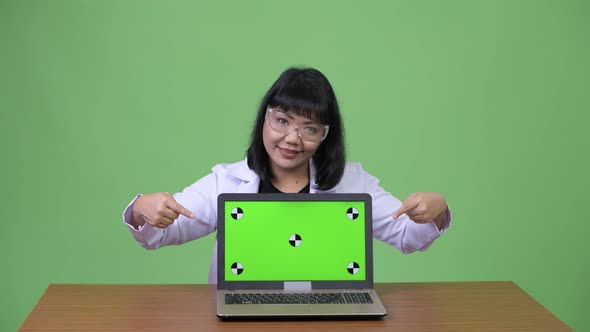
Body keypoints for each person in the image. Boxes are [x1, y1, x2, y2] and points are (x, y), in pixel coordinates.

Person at [122, 67, 451, 284]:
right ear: (265, 118)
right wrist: (142, 209)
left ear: (325, 135)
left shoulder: (353, 182)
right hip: (240, 314)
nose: (292, 139)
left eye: (309, 128)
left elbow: (408, 235)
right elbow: (161, 233)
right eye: (282, 121)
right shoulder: (226, 181)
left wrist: (436, 211)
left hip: (330, 316)